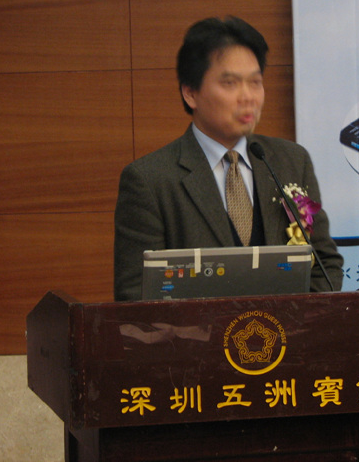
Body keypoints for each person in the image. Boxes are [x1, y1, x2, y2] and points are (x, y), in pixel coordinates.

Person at [114, 16, 342, 301]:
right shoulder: (150, 180)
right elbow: (136, 295)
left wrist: (299, 321)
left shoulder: (291, 161)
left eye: (255, 82)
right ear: (191, 93)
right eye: (230, 83)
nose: (248, 97)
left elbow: (324, 263)